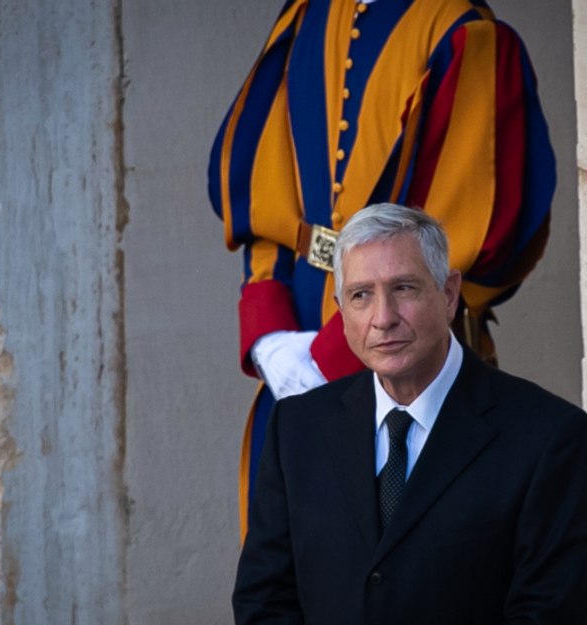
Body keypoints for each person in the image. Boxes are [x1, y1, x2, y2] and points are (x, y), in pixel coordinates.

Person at [207, 0, 558, 536]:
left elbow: (459, 238)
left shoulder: (462, 30)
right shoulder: (307, 16)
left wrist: (330, 358)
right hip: (293, 347)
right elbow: (265, 190)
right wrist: (268, 334)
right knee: (285, 578)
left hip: (408, 367)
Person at [233, 204, 587, 625]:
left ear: (448, 294)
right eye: (361, 296)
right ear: (341, 309)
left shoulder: (545, 435)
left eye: (403, 288)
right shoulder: (297, 429)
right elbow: (263, 608)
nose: (383, 318)